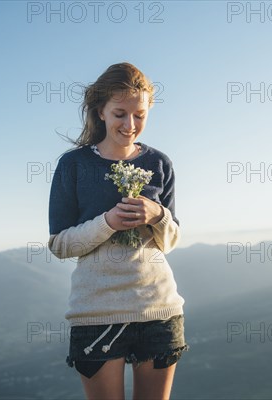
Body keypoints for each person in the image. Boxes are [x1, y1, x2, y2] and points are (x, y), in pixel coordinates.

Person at [47, 62, 188, 400]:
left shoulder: (159, 163)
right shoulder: (75, 165)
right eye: (120, 114)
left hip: (159, 307)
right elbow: (60, 244)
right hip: (97, 312)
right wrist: (107, 223)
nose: (130, 125)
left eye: (139, 115)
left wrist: (157, 215)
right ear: (101, 112)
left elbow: (169, 241)